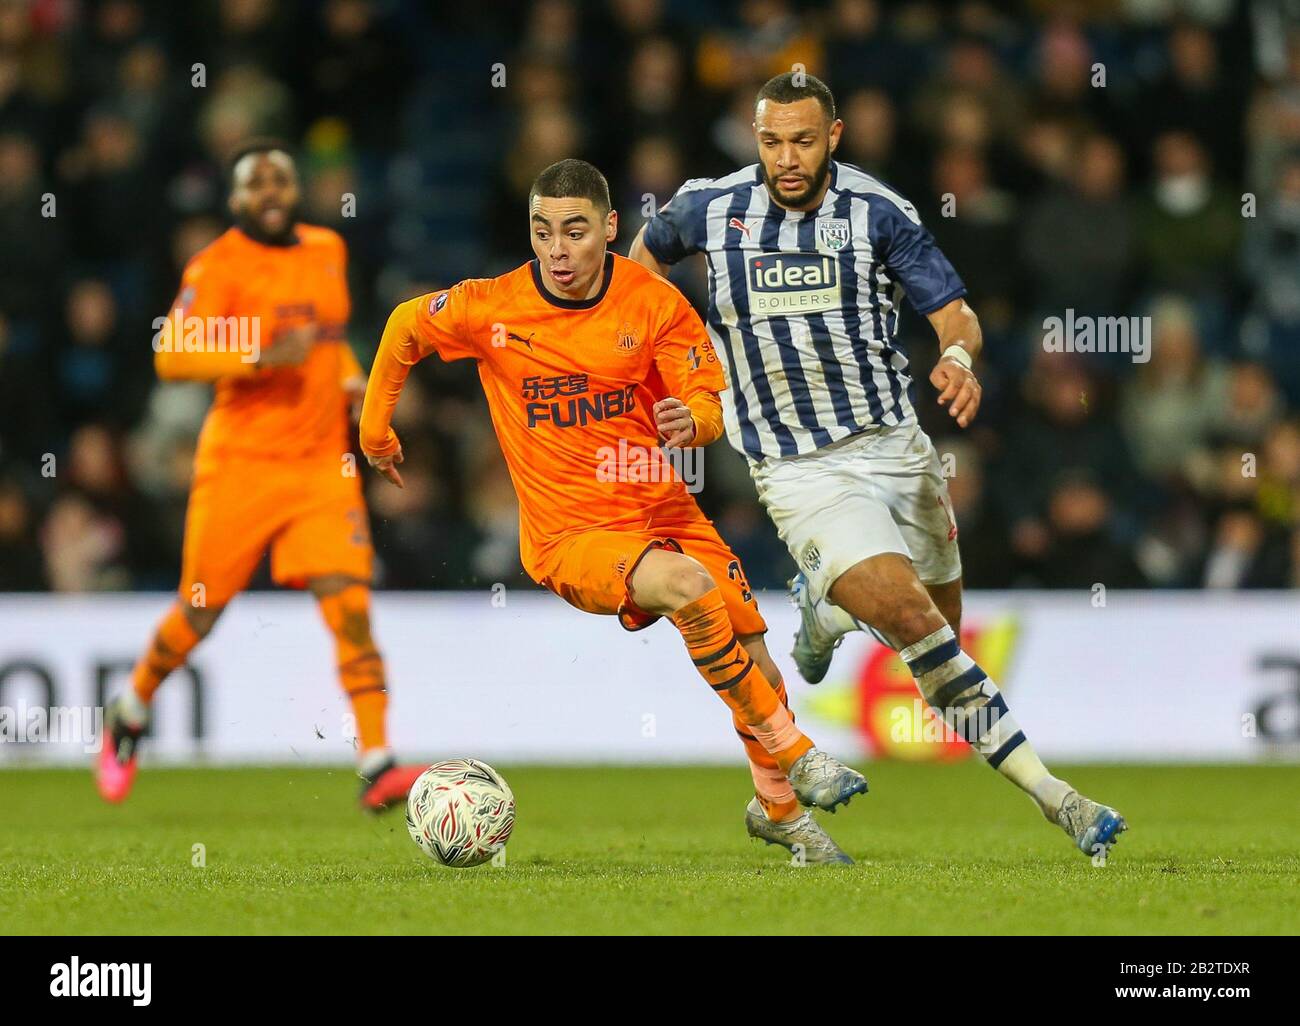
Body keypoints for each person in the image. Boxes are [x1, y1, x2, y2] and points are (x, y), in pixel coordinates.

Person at [629, 73, 1126, 858]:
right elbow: (641, 269)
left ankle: (826, 609)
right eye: (769, 142)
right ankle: (1057, 798)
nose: (785, 159)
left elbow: (952, 312)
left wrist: (959, 354)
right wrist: (684, 359)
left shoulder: (877, 212)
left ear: (835, 135)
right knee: (914, 624)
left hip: (896, 449)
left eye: (801, 141)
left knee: (942, 641)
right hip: (796, 466)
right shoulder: (707, 207)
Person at [361, 158, 866, 864]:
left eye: (574, 231)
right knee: (690, 590)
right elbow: (405, 325)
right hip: (573, 535)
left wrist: (692, 420)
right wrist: (374, 428)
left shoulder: (651, 301)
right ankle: (799, 755)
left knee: (762, 670)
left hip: (665, 511)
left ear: (609, 227)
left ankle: (779, 812)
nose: (557, 251)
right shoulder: (493, 307)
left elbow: (706, 395)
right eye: (542, 232)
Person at [98, 140, 424, 811]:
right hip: (241, 465)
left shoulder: (326, 250)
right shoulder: (216, 266)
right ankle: (130, 707)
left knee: (351, 607)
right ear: (235, 197)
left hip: (318, 466)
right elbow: (172, 352)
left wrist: (355, 382)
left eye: (281, 179)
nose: (271, 192)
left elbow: (331, 343)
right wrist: (257, 353)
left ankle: (377, 759)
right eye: (256, 183)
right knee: (199, 613)